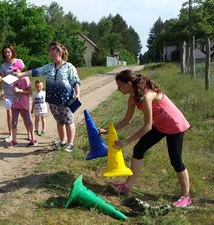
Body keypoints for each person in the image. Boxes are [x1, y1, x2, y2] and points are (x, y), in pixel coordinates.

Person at [102, 69, 191, 207]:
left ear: (129, 83)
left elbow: (147, 126)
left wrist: (126, 141)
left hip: (175, 125)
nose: (118, 89)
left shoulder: (147, 96)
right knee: (139, 150)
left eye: (120, 86)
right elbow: (126, 120)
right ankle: (128, 186)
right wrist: (107, 130)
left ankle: (186, 196)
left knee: (176, 160)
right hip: (160, 126)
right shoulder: (132, 98)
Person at [14, 42, 81, 152]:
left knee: (69, 121)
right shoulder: (49, 67)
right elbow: (36, 71)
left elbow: (75, 82)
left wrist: (78, 94)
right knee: (59, 121)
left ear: (60, 53)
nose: (52, 58)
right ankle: (63, 141)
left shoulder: (69, 67)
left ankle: (70, 143)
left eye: (53, 55)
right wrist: (21, 74)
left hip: (67, 100)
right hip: (53, 100)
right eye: (51, 56)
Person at [5, 61, 37, 148]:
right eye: (12, 71)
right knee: (13, 122)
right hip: (15, 103)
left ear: (21, 69)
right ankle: (14, 141)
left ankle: (33, 139)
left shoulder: (25, 79)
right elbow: (11, 89)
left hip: (23, 103)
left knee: (28, 121)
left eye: (15, 70)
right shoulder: (13, 78)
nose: (14, 72)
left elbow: (30, 92)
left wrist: (20, 90)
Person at [0, 43, 26, 142]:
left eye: (8, 52)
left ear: (12, 52)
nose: (7, 54)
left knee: (23, 113)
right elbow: (2, 79)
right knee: (9, 113)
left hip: (18, 90)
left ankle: (29, 133)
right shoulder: (3, 65)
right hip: (8, 91)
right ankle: (10, 135)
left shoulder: (19, 61)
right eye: (5, 52)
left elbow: (24, 74)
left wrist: (15, 78)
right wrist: (2, 91)